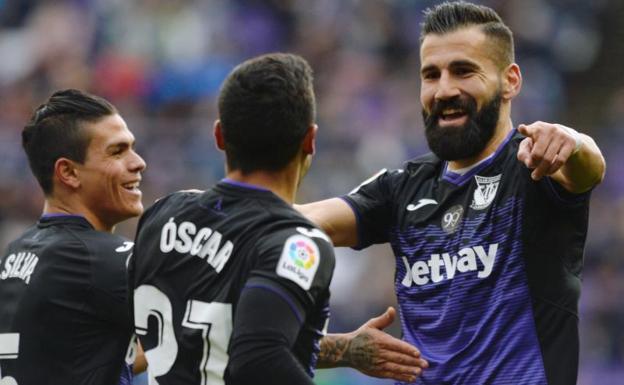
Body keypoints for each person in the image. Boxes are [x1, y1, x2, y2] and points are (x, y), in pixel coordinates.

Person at [298, 2, 606, 385]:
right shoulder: (400, 189)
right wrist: (340, 351)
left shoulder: (535, 166)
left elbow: (587, 168)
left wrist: (572, 143)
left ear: (510, 80)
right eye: (431, 75)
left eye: (463, 71)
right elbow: (290, 225)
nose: (444, 90)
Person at [128, 53, 427, 385]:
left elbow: (214, 337)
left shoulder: (162, 214)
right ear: (310, 141)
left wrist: (344, 350)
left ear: (219, 137)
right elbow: (259, 356)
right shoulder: (298, 243)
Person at [0, 89, 147, 385]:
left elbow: (77, 359)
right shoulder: (96, 257)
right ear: (68, 172)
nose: (138, 162)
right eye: (117, 152)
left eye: (132, 148)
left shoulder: (18, 251)